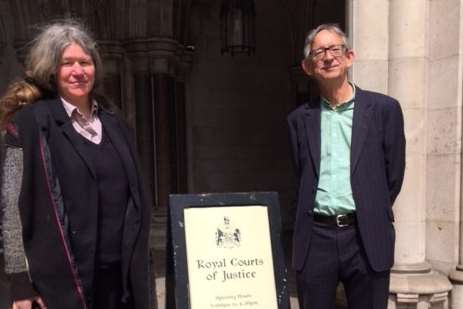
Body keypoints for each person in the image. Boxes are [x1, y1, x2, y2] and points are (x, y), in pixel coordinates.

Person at [0, 20, 152, 309]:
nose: (78, 71)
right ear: (51, 71)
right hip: (60, 286)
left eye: (85, 62)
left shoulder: (116, 124)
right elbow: (9, 211)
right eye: (67, 63)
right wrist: (20, 283)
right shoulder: (28, 125)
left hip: (120, 284)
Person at [288, 24, 405, 309]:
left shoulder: (384, 110)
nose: (328, 57)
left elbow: (394, 174)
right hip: (316, 238)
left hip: (365, 236)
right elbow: (301, 173)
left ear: (349, 56)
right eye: (319, 52)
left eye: (334, 49)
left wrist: (369, 207)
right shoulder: (298, 120)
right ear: (308, 67)